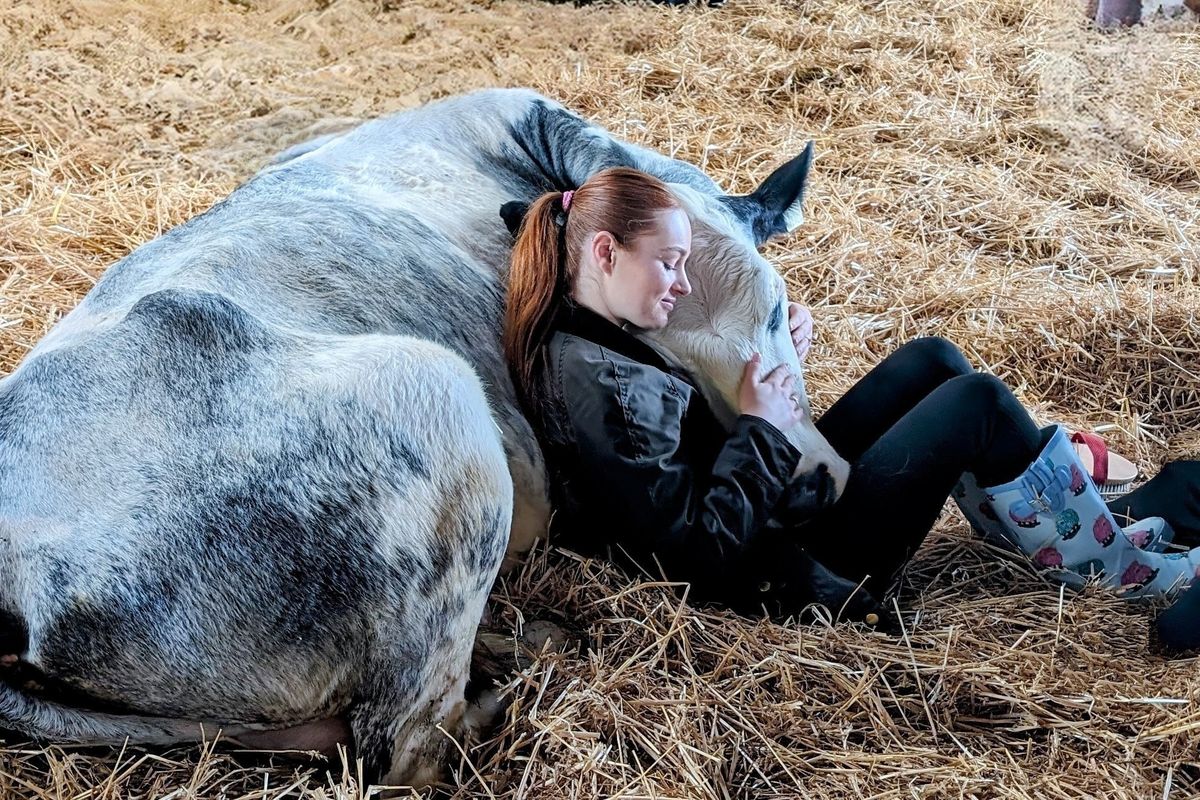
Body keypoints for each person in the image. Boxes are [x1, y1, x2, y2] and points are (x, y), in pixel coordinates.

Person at [502, 166, 1200, 623]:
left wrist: (776, 339)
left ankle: (1056, 523)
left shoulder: (600, 329)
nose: (682, 283)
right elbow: (697, 552)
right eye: (670, 263)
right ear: (603, 253)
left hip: (776, 506)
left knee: (933, 361)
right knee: (976, 403)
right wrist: (762, 428)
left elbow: (692, 411)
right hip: (790, 568)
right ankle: (1112, 567)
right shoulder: (599, 381)